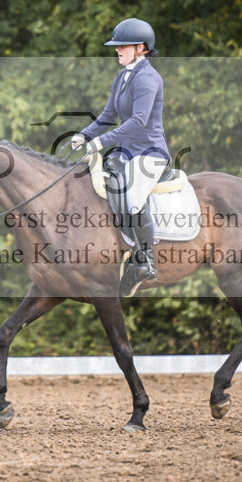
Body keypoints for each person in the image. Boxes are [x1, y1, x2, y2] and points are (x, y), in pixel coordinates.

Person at [71, 17, 171, 297]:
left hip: (149, 152)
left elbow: (138, 121)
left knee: (133, 199)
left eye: (122, 46)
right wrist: (85, 135)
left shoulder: (149, 78)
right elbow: (107, 117)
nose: (117, 50)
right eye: (116, 46)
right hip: (126, 151)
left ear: (141, 48)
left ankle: (145, 261)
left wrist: (101, 142)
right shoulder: (123, 76)